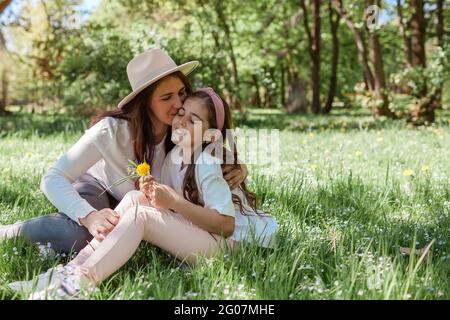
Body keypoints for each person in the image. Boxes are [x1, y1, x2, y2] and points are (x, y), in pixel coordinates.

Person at [9, 88, 278, 299]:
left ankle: (81, 282)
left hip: (233, 246)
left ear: (209, 136)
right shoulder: (176, 157)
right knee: (134, 199)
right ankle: (66, 273)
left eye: (193, 120)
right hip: (207, 234)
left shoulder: (207, 162)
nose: (180, 120)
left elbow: (226, 226)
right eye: (181, 112)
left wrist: (174, 202)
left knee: (142, 217)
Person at [0, 48, 247, 254]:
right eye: (166, 97)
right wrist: (89, 216)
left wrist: (239, 168)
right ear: (145, 102)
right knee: (78, 235)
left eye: (182, 93)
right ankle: (10, 232)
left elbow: (212, 151)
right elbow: (52, 178)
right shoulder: (112, 130)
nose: (179, 104)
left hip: (140, 205)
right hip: (101, 188)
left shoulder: (182, 131)